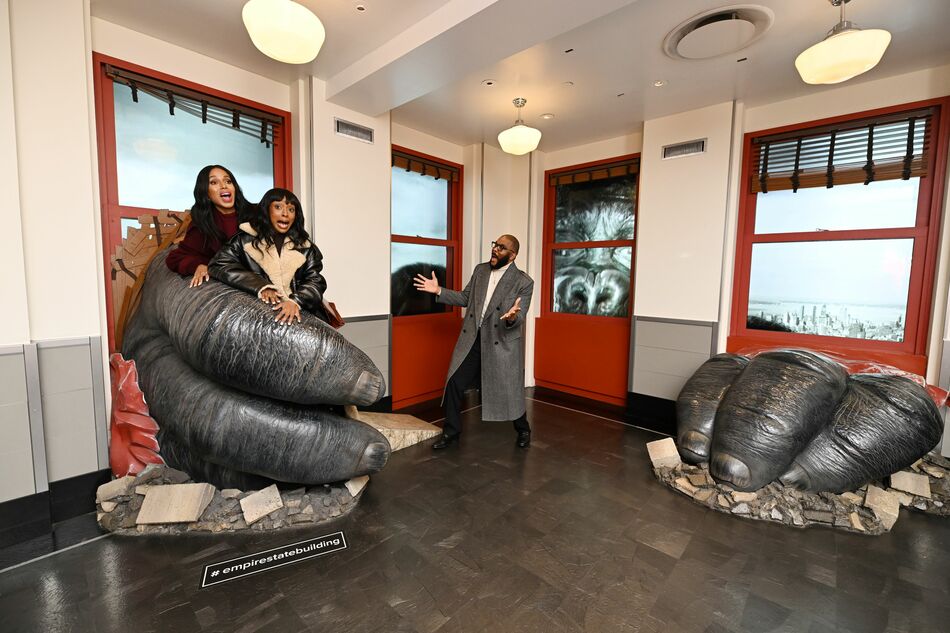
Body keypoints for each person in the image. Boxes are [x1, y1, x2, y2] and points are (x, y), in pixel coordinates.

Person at [414, 234, 534, 449]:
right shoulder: (481, 270)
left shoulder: (524, 282)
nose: (495, 249)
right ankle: (451, 433)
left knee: (509, 389)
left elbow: (520, 315)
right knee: (454, 382)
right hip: (474, 339)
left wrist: (513, 316)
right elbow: (465, 298)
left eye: (501, 247)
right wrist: (439, 291)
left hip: (501, 343)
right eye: (494, 245)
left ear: (513, 255)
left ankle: (523, 429)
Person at [209, 188, 330, 325]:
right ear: (266, 210)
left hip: (301, 313)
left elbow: (315, 281)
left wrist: (295, 301)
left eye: (291, 209)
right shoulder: (243, 240)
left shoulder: (307, 247)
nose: (285, 214)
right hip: (258, 317)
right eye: (278, 207)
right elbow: (218, 264)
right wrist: (261, 286)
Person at [166, 165, 252, 287]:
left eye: (228, 181)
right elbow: (174, 258)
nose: (224, 186)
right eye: (214, 182)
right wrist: (199, 265)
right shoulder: (203, 224)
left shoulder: (256, 215)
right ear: (206, 193)